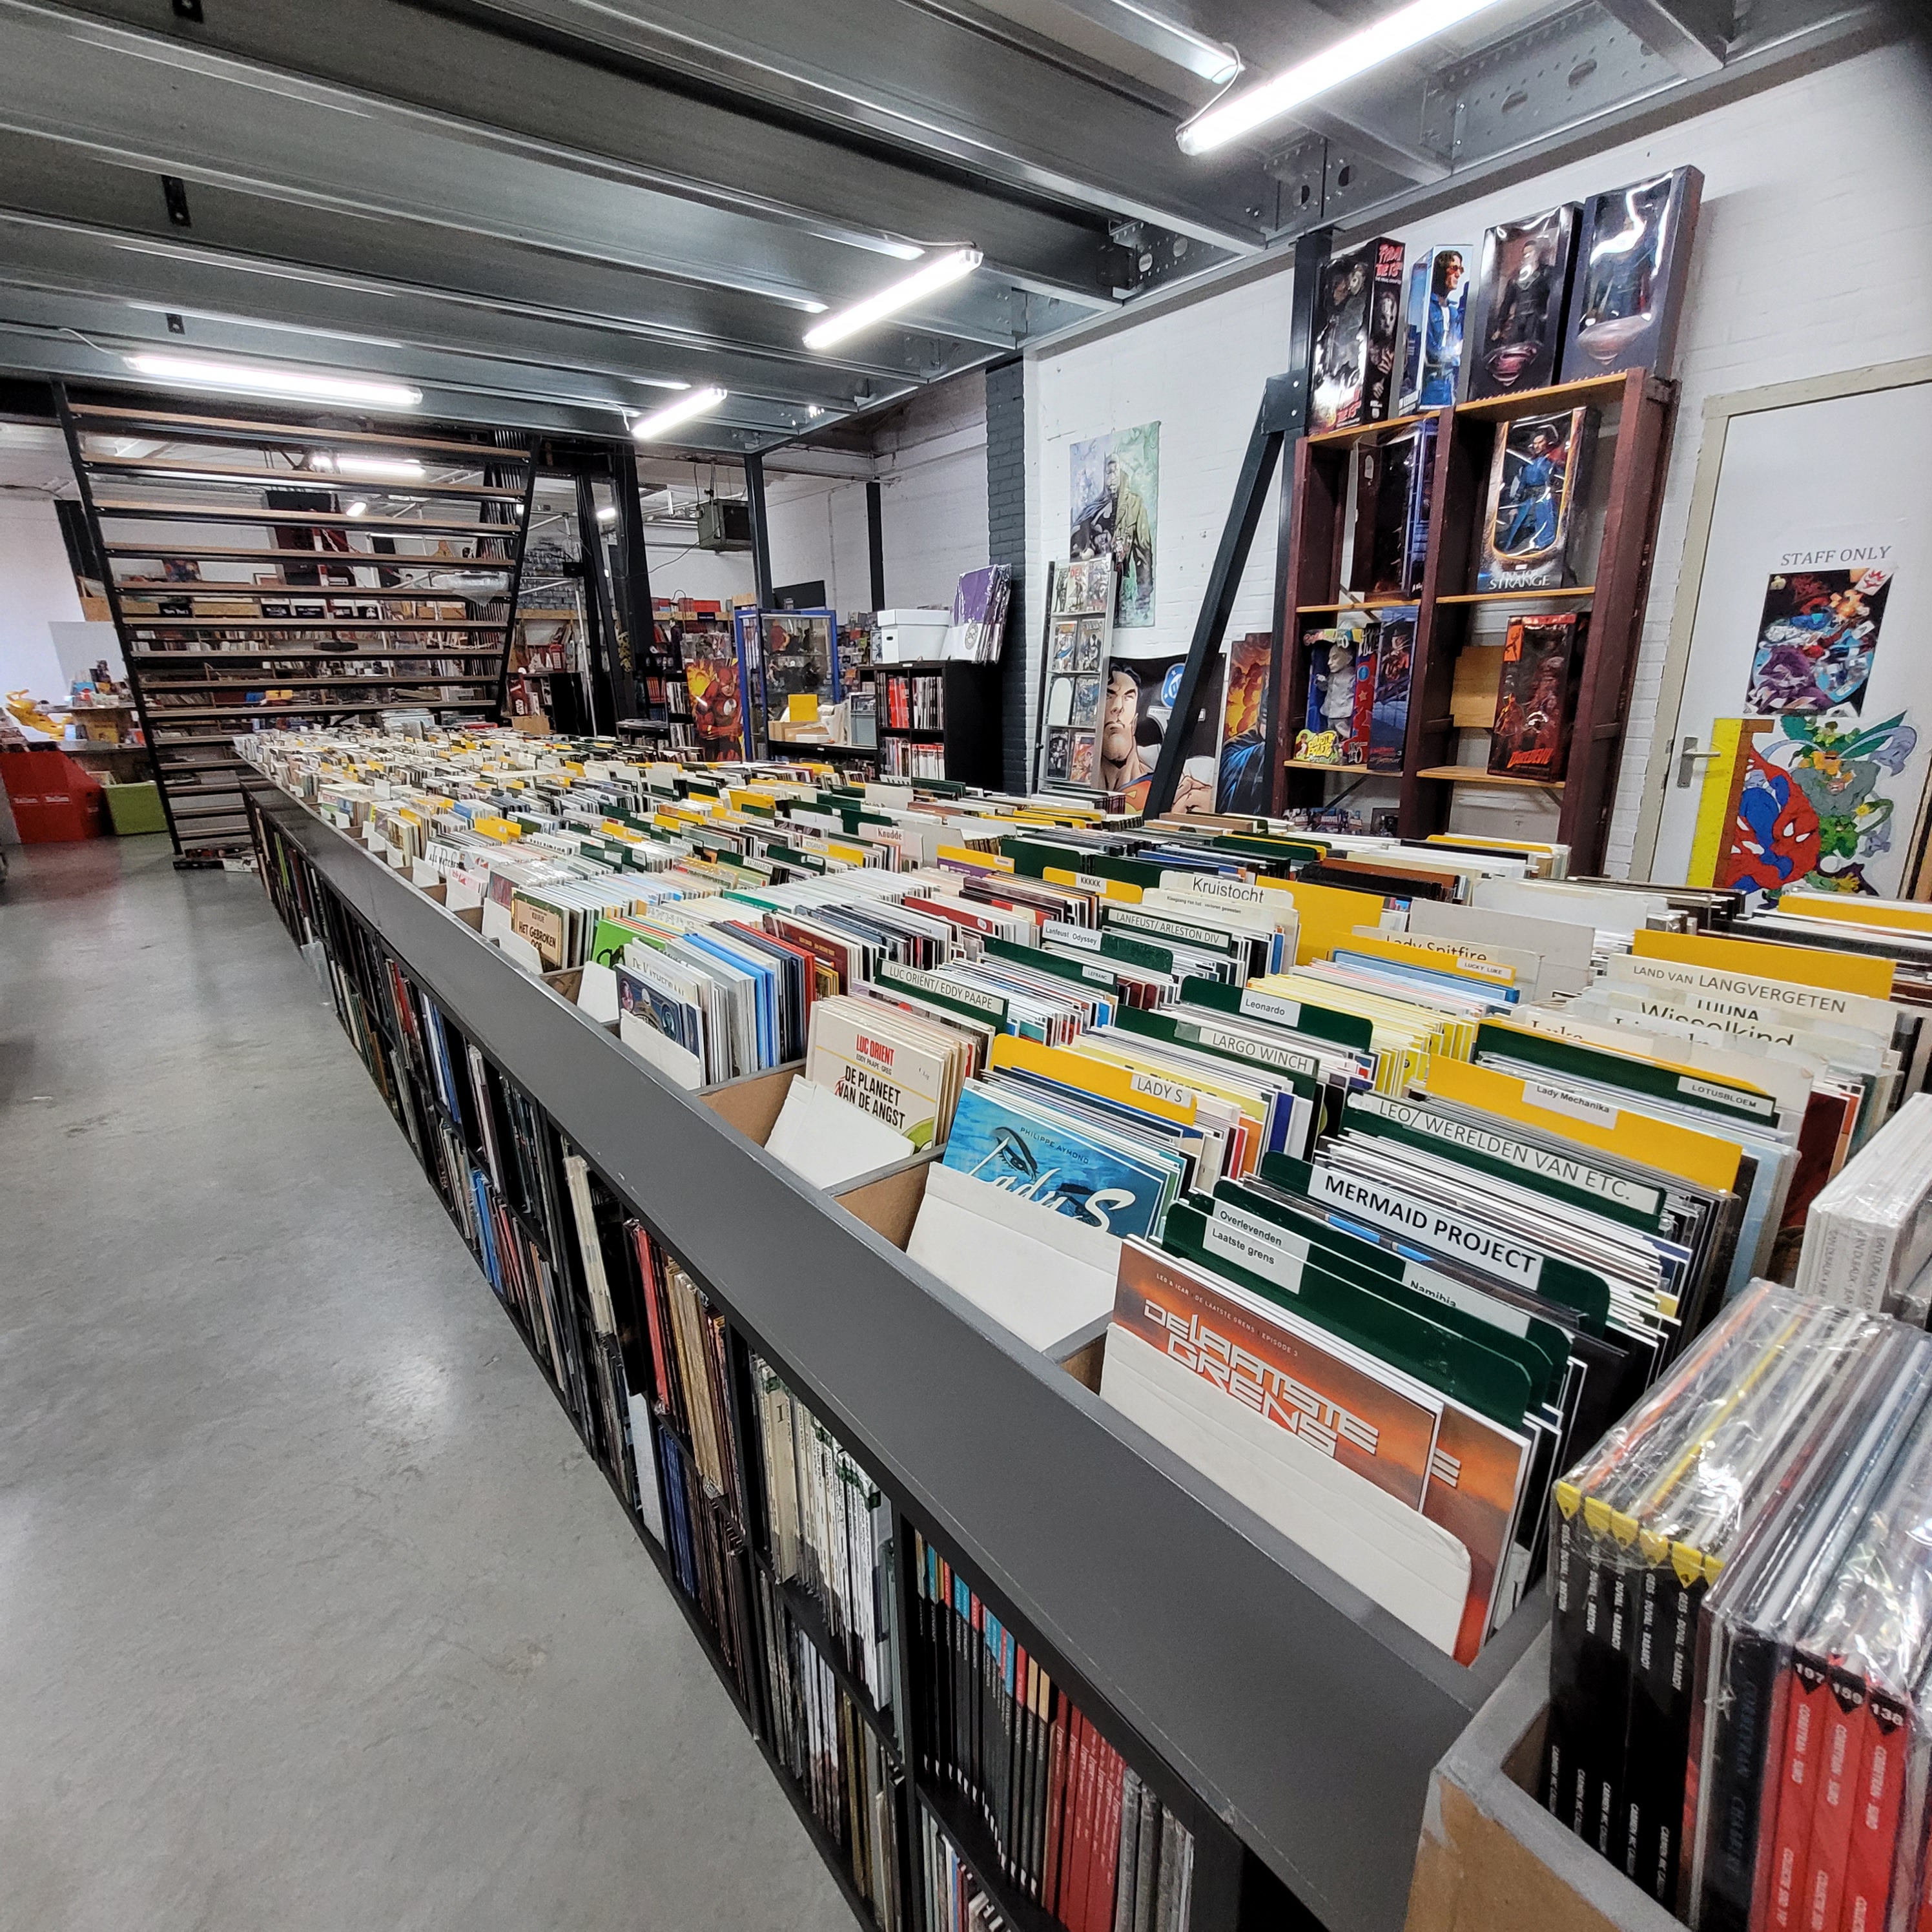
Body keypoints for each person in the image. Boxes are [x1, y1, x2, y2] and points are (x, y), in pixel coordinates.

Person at [1497, 426, 1563, 555]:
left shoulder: (1550, 462)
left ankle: (1542, 547)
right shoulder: (1528, 465)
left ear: (1546, 443)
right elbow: (1521, 486)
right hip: (1528, 502)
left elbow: (1557, 480)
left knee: (1545, 529)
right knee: (1519, 528)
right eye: (1535, 443)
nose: (1537, 446)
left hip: (1544, 501)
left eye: (1540, 442)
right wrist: (1514, 506)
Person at [1107, 453, 1154, 621]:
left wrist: (1144, 599)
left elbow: (1143, 552)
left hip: (1122, 582)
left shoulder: (1135, 504)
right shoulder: (1097, 509)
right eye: (1108, 472)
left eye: (1115, 472)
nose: (1111, 479)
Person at [1421, 251, 1465, 406]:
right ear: (1442, 270)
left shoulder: (1453, 312)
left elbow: (1458, 345)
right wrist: (1452, 354)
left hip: (1450, 385)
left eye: (1461, 269)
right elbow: (1430, 349)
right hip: (1431, 384)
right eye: (1454, 268)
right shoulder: (1426, 307)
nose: (1458, 274)